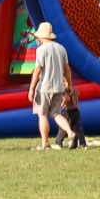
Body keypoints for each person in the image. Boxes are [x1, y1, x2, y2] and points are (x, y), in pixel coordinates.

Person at [27, 21, 77, 150]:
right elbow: (67, 69)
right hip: (58, 87)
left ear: (41, 37)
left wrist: (31, 88)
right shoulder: (61, 49)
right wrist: (69, 85)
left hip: (44, 87)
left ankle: (45, 143)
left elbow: (37, 70)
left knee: (42, 115)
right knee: (56, 114)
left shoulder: (41, 50)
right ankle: (70, 133)